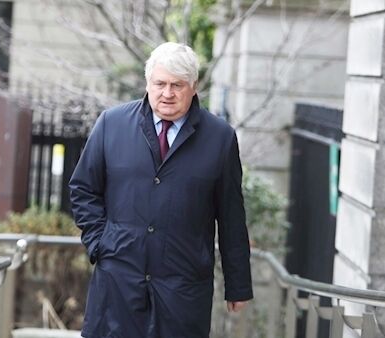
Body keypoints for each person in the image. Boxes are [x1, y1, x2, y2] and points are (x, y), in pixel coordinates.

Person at [69, 42, 253, 338]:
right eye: (160, 84)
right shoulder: (111, 124)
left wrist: (238, 284)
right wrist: (101, 243)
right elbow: (83, 189)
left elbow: (231, 215)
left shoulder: (220, 138)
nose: (167, 93)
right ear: (148, 83)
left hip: (183, 288)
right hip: (119, 282)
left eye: (177, 85)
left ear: (194, 87)